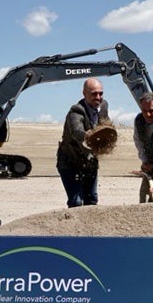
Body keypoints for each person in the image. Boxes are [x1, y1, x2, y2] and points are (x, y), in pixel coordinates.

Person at [56, 78, 108, 208]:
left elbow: (106, 123)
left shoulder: (103, 106)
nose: (98, 97)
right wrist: (93, 137)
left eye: (100, 93)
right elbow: (77, 131)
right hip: (69, 162)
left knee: (91, 199)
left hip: (90, 162)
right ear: (84, 93)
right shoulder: (76, 111)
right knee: (76, 202)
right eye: (94, 94)